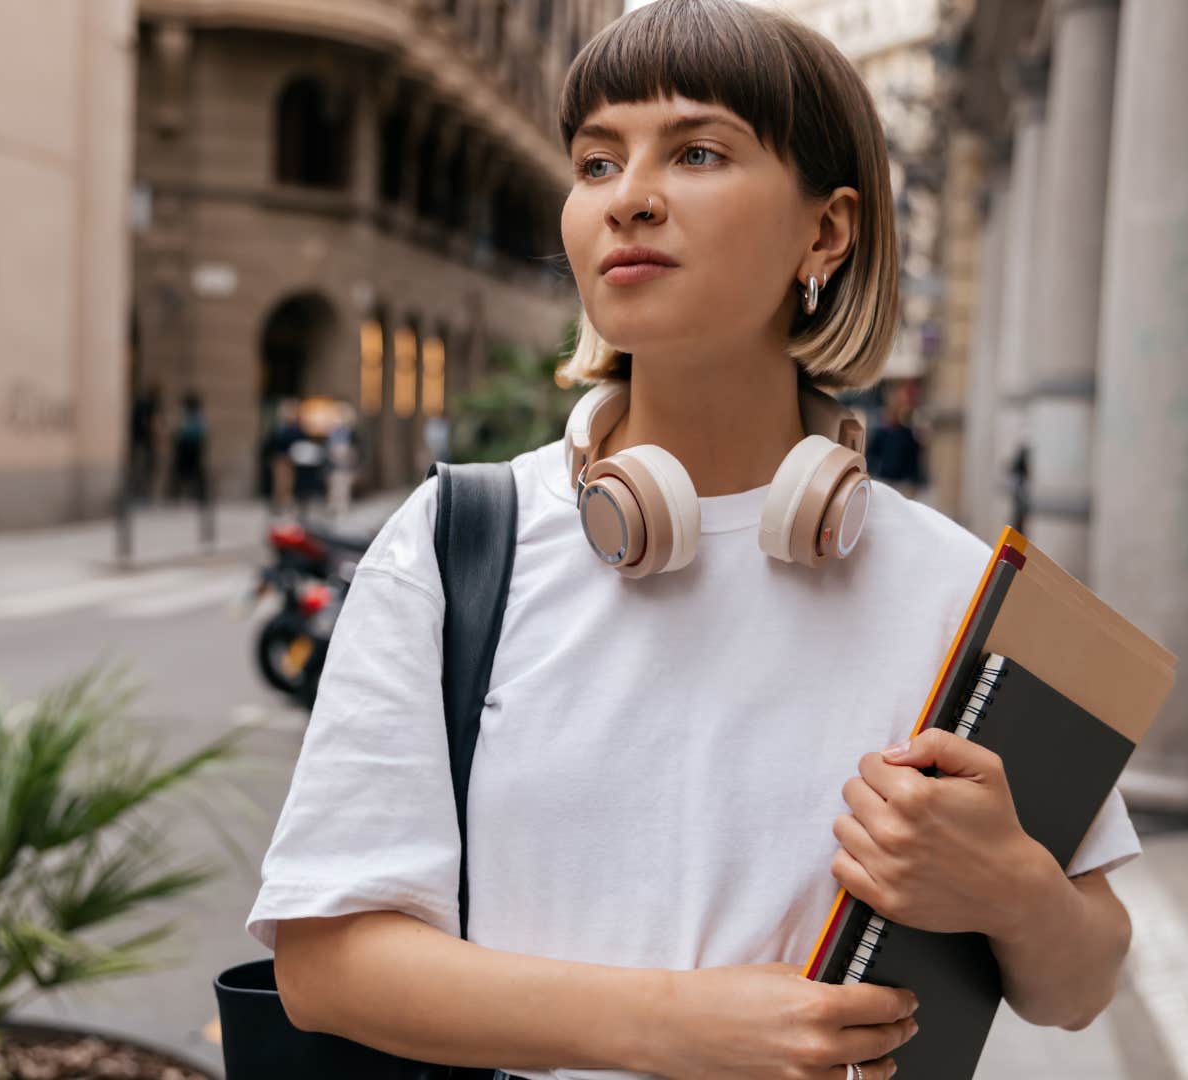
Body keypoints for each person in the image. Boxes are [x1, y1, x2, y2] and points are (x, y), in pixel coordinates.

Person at [249, 3, 1139, 1077]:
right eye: (594, 163)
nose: (628, 198)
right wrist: (679, 1026)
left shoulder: (962, 587)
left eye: (699, 151)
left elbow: (1083, 987)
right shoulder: (454, 545)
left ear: (827, 231)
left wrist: (1013, 888)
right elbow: (327, 960)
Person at [166, 391, 208, 502]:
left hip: (188, 450)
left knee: (186, 474)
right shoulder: (196, 416)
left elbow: (182, 433)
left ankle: (178, 494)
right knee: (193, 474)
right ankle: (180, 494)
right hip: (192, 450)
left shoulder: (192, 417)